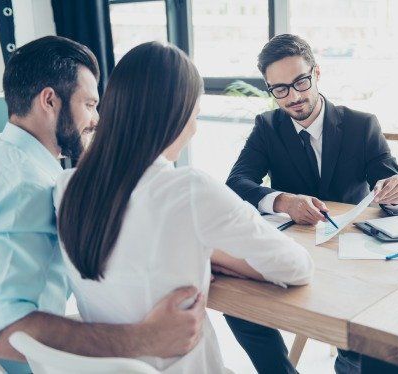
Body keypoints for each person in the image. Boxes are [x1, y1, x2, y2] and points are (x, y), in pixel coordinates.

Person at [53, 41, 314, 374]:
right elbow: (297, 267)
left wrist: (200, 251)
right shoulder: (188, 190)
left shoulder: (64, 189)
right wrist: (218, 255)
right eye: (196, 113)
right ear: (175, 115)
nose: (196, 127)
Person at [0, 36, 205, 374]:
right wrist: (146, 338)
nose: (97, 119)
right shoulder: (26, 187)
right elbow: (4, 331)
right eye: (90, 104)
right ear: (49, 100)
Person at [225, 34, 398, 373]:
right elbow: (237, 183)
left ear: (317, 73)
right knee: (238, 303)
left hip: (352, 258)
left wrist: (396, 195)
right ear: (271, 90)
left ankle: (348, 362)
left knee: (377, 330)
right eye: (280, 89)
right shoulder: (267, 127)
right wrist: (283, 200)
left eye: (301, 81)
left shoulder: (361, 126)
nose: (295, 96)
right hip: (296, 253)